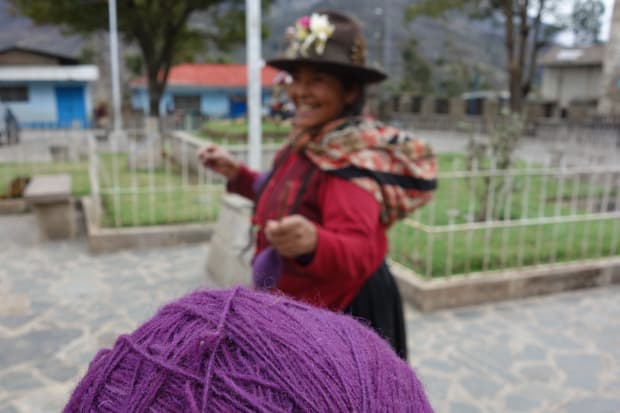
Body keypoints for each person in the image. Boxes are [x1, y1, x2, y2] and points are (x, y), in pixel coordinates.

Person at [197, 10, 437, 360]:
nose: (299, 91)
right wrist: (239, 175)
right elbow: (284, 194)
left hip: (341, 315)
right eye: (296, 77)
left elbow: (360, 249)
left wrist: (313, 244)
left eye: (318, 79)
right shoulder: (311, 142)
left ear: (350, 90)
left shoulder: (348, 163)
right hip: (301, 308)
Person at [63, 287, 435, 412]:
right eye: (296, 99)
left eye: (312, 98)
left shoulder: (364, 159)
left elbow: (362, 241)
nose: (301, 102)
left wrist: (316, 243)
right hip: (304, 329)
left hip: (344, 291)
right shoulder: (301, 148)